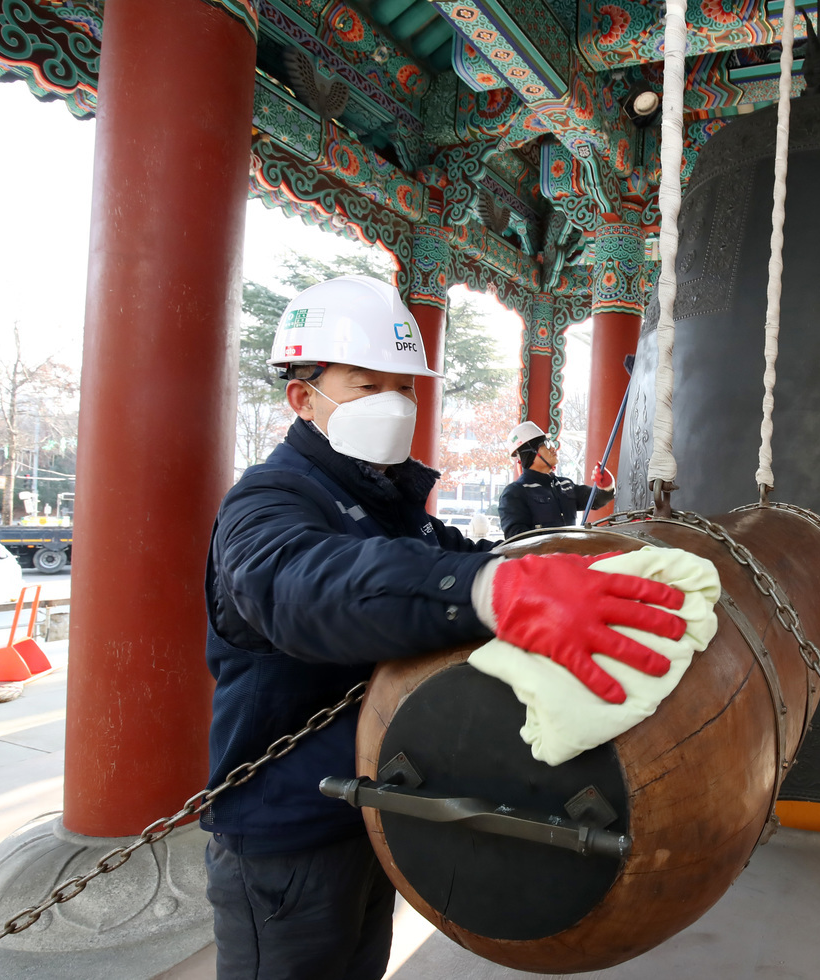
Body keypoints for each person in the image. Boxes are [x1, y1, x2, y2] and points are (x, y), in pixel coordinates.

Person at [203, 275, 686, 979]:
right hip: (288, 829)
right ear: (303, 398)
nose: (394, 406)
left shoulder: (398, 507)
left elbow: (464, 556)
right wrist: (494, 591)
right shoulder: (269, 502)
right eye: (368, 386)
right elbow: (303, 584)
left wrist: (580, 569)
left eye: (404, 388)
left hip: (379, 803)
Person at [498, 421, 615, 538]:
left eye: (552, 443)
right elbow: (516, 540)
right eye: (547, 444)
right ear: (530, 453)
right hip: (542, 556)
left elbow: (597, 500)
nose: (554, 449)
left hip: (570, 554)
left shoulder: (565, 485)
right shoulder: (515, 493)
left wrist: (606, 485)